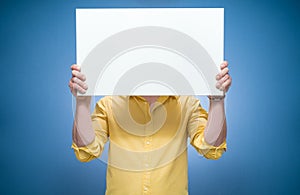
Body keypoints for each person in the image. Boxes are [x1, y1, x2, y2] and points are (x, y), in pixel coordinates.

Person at [69, 61, 232, 195]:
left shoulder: (186, 103)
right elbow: (86, 150)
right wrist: (82, 103)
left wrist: (217, 100)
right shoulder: (110, 104)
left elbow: (211, 148)